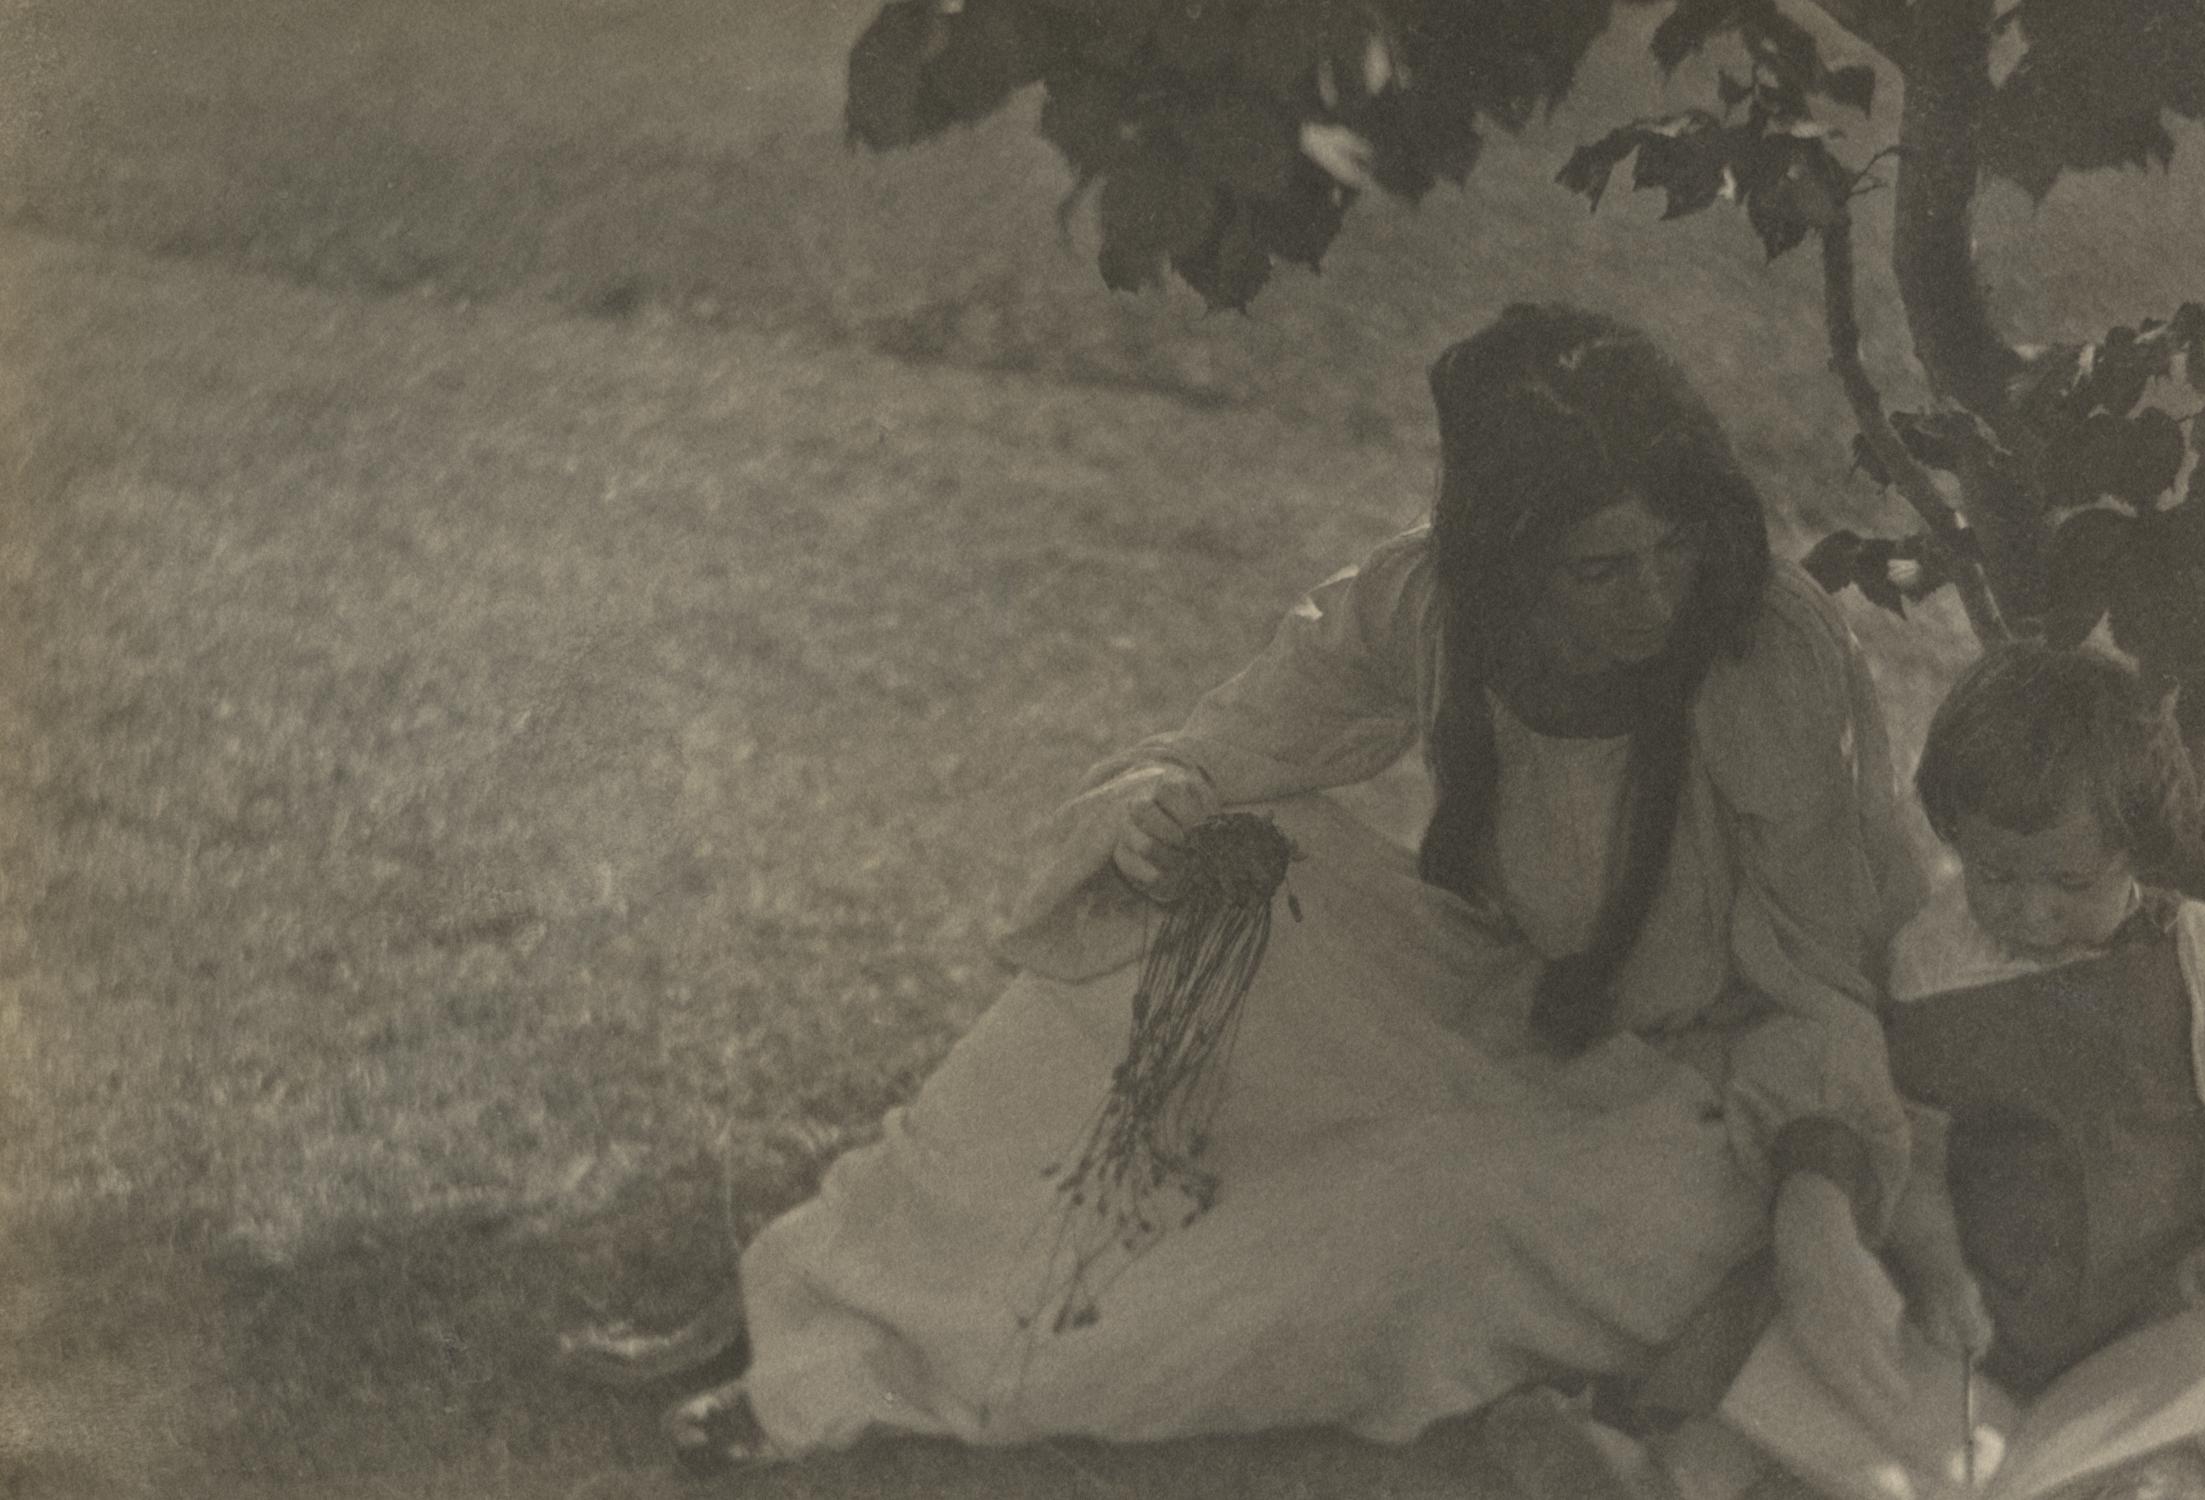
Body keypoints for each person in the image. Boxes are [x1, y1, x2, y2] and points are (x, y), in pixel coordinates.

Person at [583, 303, 1929, 1475]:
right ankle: (822, 1280)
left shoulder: (1766, 657)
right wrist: (1159, 806)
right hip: (1514, 1019)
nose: (1654, 597)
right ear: (1510, 565)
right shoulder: (1432, 606)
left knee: (1401, 1218)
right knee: (1196, 885)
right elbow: (1219, 748)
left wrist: (1816, 1212)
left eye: (1671, 552)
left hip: (1716, 1115)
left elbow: (1825, 987)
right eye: (1601, 569)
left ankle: (912, 1380)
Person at [1871, 643, 2205, 1500]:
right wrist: (1937, 1273)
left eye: (2072, 882)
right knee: (1891, 1436)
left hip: (2162, 1305)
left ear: (2137, 846)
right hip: (1995, 1318)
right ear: (1956, 835)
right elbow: (1917, 1154)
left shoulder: (2201, 951)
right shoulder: (1930, 962)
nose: (2032, 909)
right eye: (1996, 875)